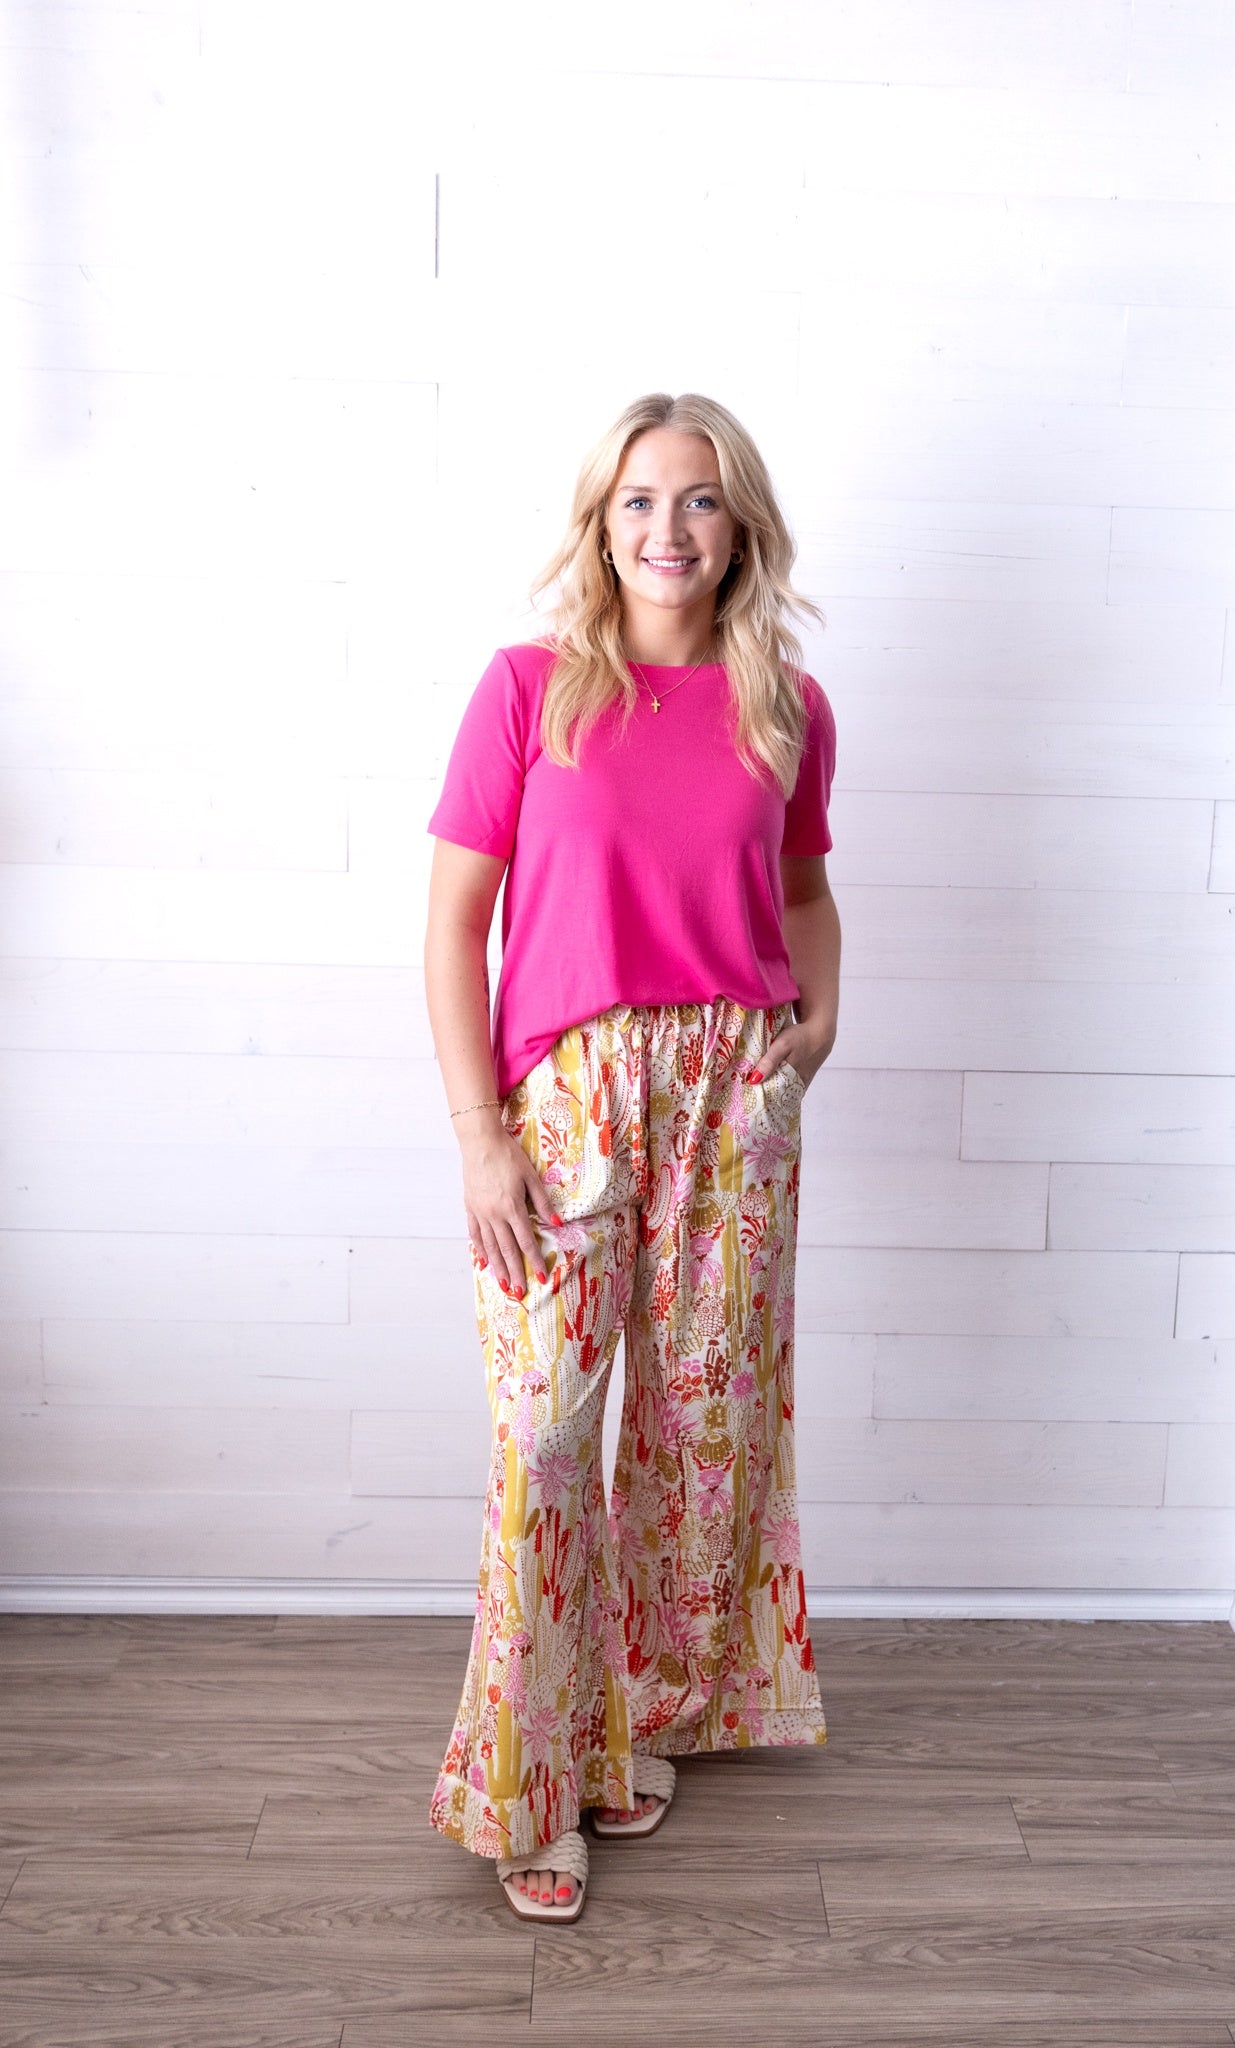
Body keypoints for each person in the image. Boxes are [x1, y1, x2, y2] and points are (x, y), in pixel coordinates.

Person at [423, 390, 841, 1922]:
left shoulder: (787, 706)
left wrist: (819, 1026)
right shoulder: (530, 690)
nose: (670, 529)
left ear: (741, 529)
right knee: (544, 1433)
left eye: (701, 499)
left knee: (694, 1433)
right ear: (602, 524)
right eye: (641, 501)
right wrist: (482, 1136)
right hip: (570, 1099)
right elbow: (453, 926)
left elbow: (806, 895)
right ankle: (527, 1785)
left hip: (733, 1091)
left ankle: (633, 1719)